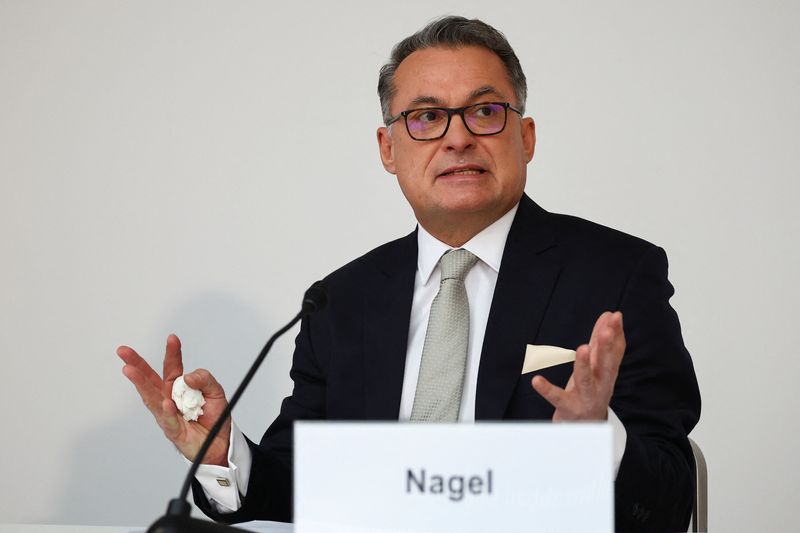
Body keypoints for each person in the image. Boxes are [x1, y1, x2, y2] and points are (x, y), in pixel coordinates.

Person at [118, 16, 700, 532]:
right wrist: (224, 456)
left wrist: (597, 442)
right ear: (388, 149)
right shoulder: (340, 301)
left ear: (525, 137)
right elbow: (303, 480)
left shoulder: (618, 275)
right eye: (425, 117)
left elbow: (670, 503)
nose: (458, 135)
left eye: (485, 111)